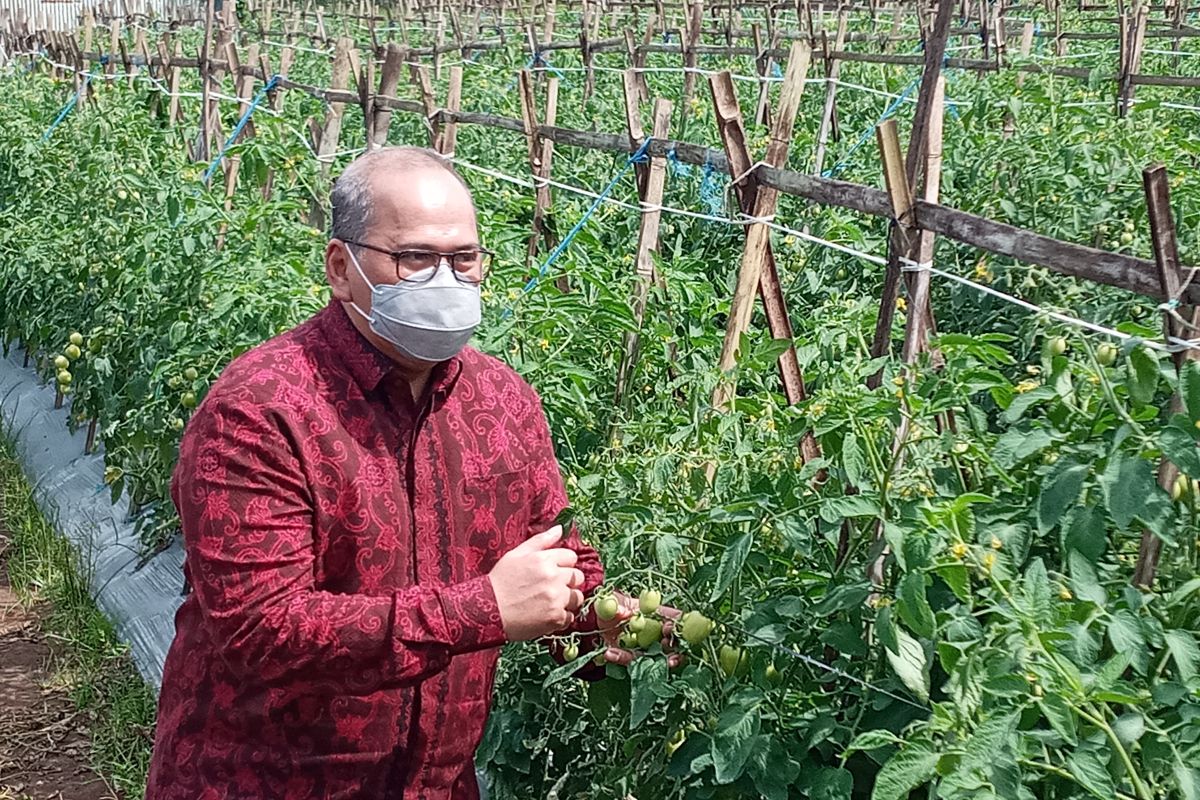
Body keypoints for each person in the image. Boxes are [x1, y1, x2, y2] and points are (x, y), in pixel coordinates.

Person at [145, 146, 669, 799]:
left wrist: (594, 623)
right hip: (267, 781)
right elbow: (262, 630)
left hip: (438, 785)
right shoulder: (261, 413)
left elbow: (557, 559)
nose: (445, 280)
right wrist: (483, 609)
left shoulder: (503, 404)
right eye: (416, 258)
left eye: (464, 258)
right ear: (342, 267)